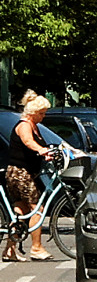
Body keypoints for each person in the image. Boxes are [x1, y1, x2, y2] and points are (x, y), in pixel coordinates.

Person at [4, 94, 54, 261]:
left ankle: (9, 250)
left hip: (21, 172)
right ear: (33, 112)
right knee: (36, 209)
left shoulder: (34, 126)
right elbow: (28, 142)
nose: (44, 116)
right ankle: (36, 248)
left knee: (20, 210)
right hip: (20, 173)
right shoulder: (25, 125)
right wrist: (40, 150)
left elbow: (41, 145)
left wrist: (48, 152)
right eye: (42, 113)